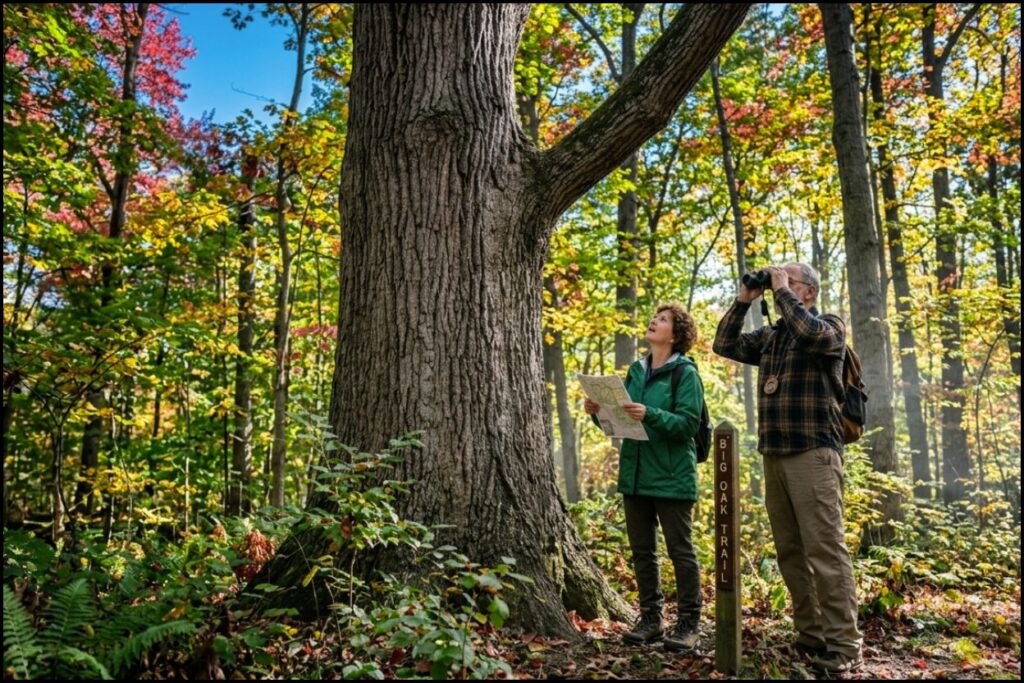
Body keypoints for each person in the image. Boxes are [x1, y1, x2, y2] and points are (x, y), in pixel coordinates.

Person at [712, 263, 863, 674]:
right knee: (791, 552)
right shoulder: (773, 336)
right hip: (774, 454)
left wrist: (781, 292)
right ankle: (811, 635)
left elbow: (814, 336)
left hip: (814, 452)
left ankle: (844, 645)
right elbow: (724, 344)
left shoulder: (829, 324)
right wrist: (744, 301)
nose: (780, 284)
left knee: (825, 551)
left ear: (808, 293)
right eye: (779, 281)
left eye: (790, 280)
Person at [584, 303, 705, 651]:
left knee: (680, 551)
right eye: (655, 317)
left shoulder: (685, 374)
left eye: (663, 319)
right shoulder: (636, 371)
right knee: (642, 552)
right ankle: (651, 619)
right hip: (635, 474)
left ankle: (688, 624)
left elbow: (687, 425)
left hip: (671, 475)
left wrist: (650, 413)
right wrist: (598, 413)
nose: (654, 321)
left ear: (677, 334)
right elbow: (622, 423)